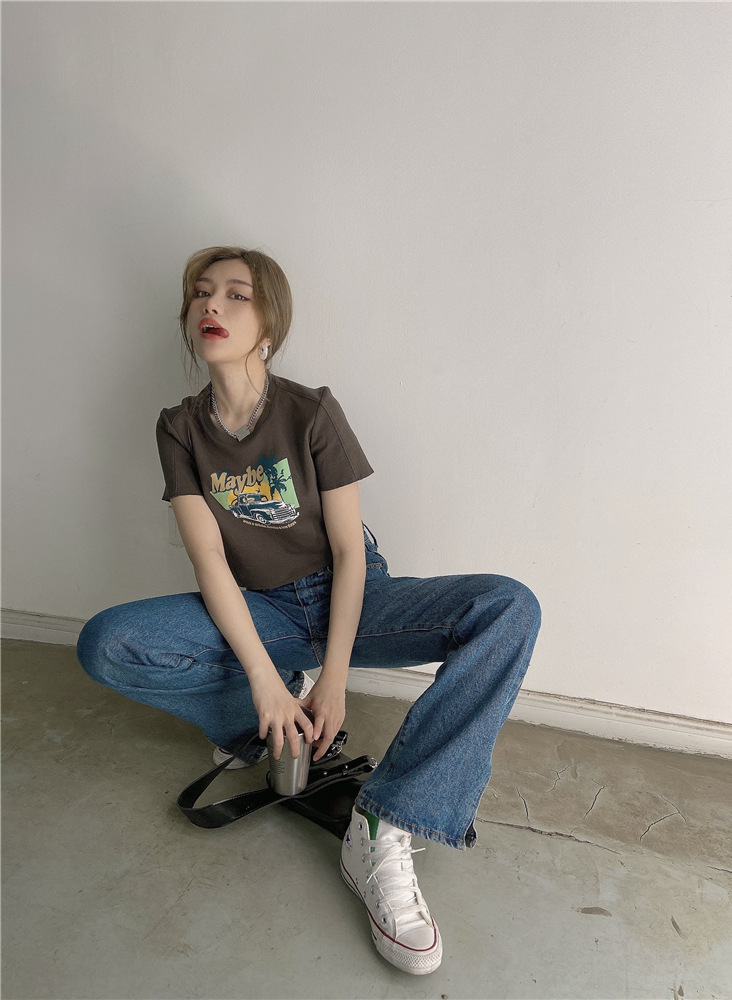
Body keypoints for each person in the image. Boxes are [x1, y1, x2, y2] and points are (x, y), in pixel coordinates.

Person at [77, 246, 541, 976]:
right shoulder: (178, 428)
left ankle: (386, 818)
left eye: (236, 295)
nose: (212, 305)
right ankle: (261, 722)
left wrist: (334, 678)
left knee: (508, 607)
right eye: (201, 293)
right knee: (108, 642)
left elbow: (350, 553)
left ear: (269, 326)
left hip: (348, 595)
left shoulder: (310, 411)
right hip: (257, 609)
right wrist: (266, 681)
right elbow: (210, 563)